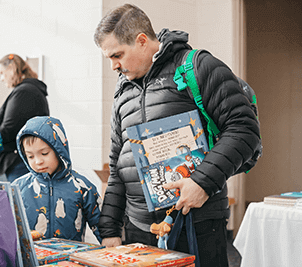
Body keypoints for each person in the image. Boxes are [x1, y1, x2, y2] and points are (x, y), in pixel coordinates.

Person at [93, 4, 260, 266]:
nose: (114, 66)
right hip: (139, 231)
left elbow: (244, 130)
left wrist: (202, 183)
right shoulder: (123, 91)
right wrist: (110, 229)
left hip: (197, 225)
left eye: (117, 55)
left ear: (141, 41)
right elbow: (118, 163)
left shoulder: (199, 66)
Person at [12, 116, 102, 242]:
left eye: (44, 153)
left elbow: (103, 226)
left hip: (71, 258)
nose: (38, 161)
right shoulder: (18, 187)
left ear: (59, 150)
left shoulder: (82, 186)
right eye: (30, 156)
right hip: (32, 259)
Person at [0, 54, 50, 182]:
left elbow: (9, 129)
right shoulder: (29, 90)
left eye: (2, 73)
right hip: (19, 163)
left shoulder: (24, 92)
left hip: (16, 165)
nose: (2, 78)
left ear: (12, 68)